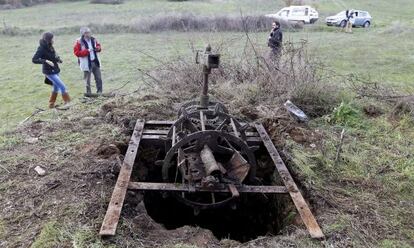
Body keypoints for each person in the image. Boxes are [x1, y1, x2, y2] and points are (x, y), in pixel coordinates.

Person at [32, 32, 71, 108]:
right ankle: (68, 103)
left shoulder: (50, 46)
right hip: (49, 72)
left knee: (56, 87)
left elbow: (53, 56)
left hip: (55, 70)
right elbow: (34, 59)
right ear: (48, 39)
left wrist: (58, 59)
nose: (54, 40)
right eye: (53, 38)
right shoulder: (41, 48)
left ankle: (51, 104)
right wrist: (46, 61)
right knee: (63, 87)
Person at [73, 27, 103, 97]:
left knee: (99, 78)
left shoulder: (94, 39)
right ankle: (89, 94)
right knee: (87, 81)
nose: (89, 34)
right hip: (86, 63)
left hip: (95, 62)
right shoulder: (79, 42)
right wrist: (87, 51)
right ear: (83, 34)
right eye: (86, 33)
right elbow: (77, 53)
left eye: (89, 32)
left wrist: (98, 48)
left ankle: (100, 93)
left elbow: (98, 46)